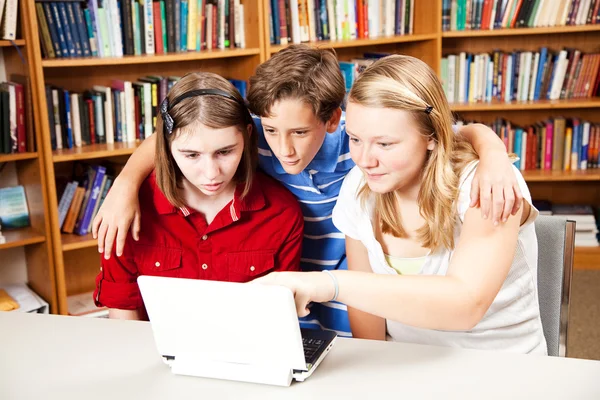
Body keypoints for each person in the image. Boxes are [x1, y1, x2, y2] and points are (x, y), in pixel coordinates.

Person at [92, 45, 524, 336]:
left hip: (349, 288)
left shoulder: (358, 151)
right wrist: (125, 184)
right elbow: (187, 136)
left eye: (300, 131)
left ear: (333, 120)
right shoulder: (251, 141)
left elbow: (445, 132)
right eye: (271, 131)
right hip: (296, 282)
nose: (284, 148)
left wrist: (494, 150)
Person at [254, 55, 547, 354]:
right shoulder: (358, 185)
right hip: (406, 364)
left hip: (501, 368)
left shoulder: (486, 184)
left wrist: (329, 284)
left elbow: (466, 304)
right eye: (355, 139)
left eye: (385, 144)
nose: (365, 160)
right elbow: (367, 314)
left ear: (431, 135)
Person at [93, 72, 304, 320]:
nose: (211, 173)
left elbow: (277, 318)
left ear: (247, 135)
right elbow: (124, 317)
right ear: (166, 146)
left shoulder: (281, 213)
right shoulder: (126, 211)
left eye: (225, 151)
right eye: (192, 155)